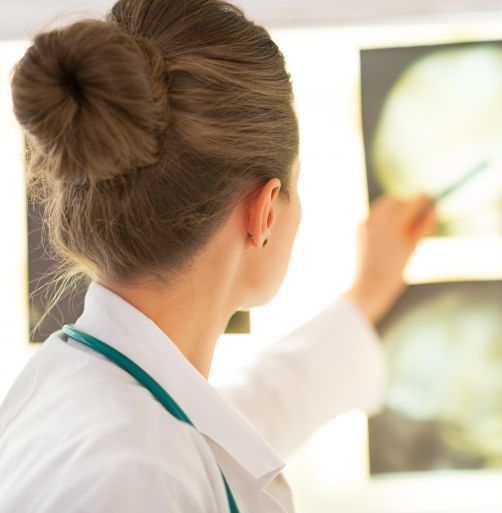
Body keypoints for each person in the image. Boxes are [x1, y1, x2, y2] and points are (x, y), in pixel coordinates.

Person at [0, 1, 436, 512]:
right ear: (265, 211)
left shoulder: (84, 387)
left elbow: (229, 423)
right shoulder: (135, 478)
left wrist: (366, 296)